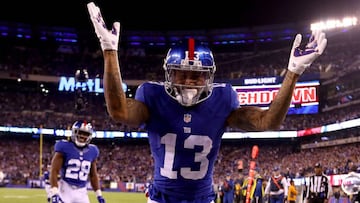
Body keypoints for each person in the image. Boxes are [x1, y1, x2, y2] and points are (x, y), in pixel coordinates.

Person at [87, 2, 327, 203]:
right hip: (160, 199)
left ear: (209, 76)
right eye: (182, 73)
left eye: (198, 75)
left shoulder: (223, 99)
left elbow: (268, 121)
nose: (190, 81)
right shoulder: (152, 95)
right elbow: (118, 111)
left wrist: (293, 72)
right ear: (169, 74)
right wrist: (110, 51)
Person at [49, 121, 105, 203]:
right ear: (74, 132)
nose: (82, 136)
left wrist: (99, 195)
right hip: (65, 189)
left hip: (82, 192)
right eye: (80, 133)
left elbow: (93, 175)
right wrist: (54, 192)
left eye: (85, 134)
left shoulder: (93, 151)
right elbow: (54, 171)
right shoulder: (64, 147)